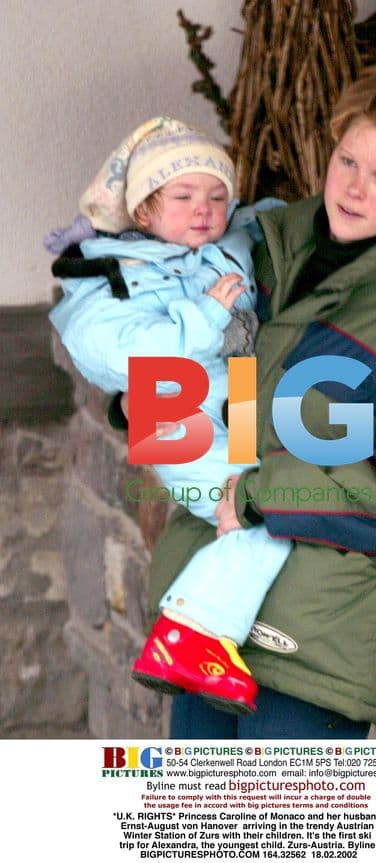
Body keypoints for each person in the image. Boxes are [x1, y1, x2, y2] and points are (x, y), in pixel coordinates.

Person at [145, 75, 376, 740]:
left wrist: (265, 493)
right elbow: (233, 394)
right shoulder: (259, 255)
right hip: (209, 615)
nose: (354, 188)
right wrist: (154, 396)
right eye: (348, 161)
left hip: (315, 643)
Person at [48, 116, 292, 716]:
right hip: (174, 419)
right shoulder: (109, 276)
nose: (204, 209)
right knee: (271, 512)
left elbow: (279, 219)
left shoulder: (230, 237)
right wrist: (201, 320)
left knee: (270, 504)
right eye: (183, 197)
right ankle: (189, 635)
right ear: (144, 210)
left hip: (239, 400)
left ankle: (207, 635)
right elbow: (113, 354)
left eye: (217, 195)